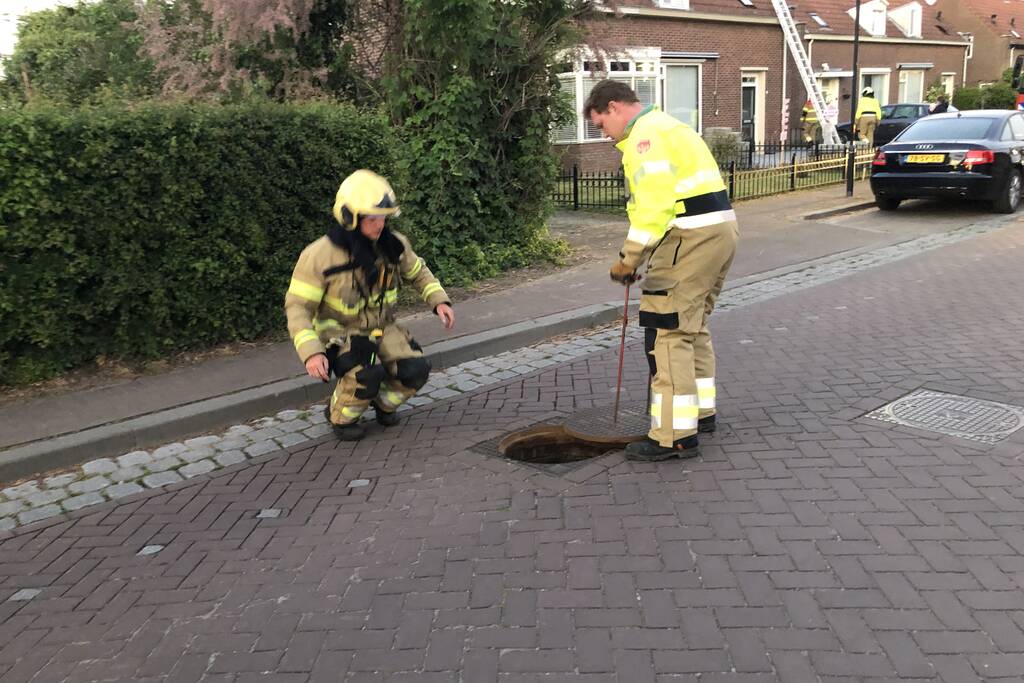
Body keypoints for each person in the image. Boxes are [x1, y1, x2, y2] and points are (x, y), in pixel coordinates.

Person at [583, 80, 739, 462]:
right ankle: (701, 413)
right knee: (692, 326)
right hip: (720, 232)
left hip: (689, 237)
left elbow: (654, 207)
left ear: (614, 107)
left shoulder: (645, 138)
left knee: (668, 332)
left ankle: (673, 436)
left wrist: (629, 259)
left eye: (601, 124)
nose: (604, 134)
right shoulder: (671, 126)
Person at [285, 169, 455, 440]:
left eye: (383, 218)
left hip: (382, 327)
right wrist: (312, 353)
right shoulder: (319, 256)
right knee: (366, 376)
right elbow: (298, 307)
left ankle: (382, 405)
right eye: (372, 218)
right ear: (349, 217)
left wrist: (439, 301)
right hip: (341, 334)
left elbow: (418, 273)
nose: (379, 225)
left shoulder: (393, 245)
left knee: (416, 370)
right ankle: (340, 416)